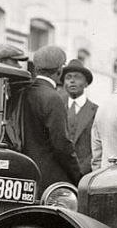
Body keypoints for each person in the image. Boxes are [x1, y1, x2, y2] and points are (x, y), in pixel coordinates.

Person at [18, 46, 81, 192]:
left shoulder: (23, 92)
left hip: (24, 172)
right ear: (60, 70)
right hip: (49, 179)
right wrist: (77, 176)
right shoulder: (53, 98)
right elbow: (61, 144)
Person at [61, 58, 97, 177]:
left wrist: (81, 171)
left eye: (77, 77)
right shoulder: (57, 108)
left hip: (85, 175)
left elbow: (97, 146)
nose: (72, 81)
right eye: (68, 77)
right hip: (60, 173)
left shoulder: (96, 111)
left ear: (86, 83)